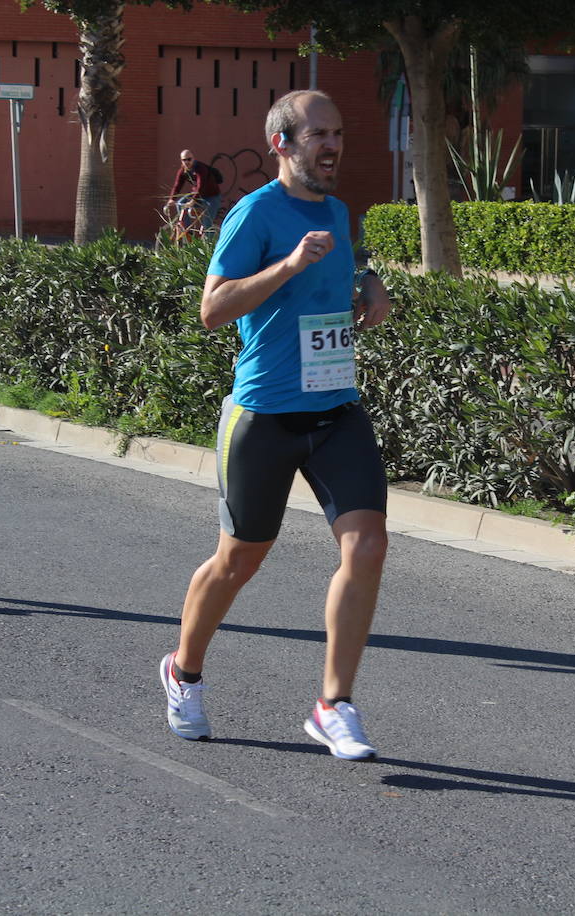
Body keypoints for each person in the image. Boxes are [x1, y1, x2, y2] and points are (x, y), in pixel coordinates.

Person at [159, 90, 393, 760]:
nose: (333, 145)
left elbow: (350, 268)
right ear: (281, 144)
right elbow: (213, 309)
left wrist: (369, 286)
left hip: (335, 408)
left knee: (367, 546)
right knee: (238, 560)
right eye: (318, 133)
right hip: (263, 413)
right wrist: (288, 265)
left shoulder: (340, 212)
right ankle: (184, 671)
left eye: (339, 132)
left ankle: (333, 704)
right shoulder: (253, 214)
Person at [165, 149, 222, 232]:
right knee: (180, 204)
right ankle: (188, 231)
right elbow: (177, 186)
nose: (187, 162)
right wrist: (171, 199)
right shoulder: (182, 171)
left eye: (189, 159)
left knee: (207, 225)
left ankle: (209, 242)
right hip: (198, 195)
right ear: (181, 161)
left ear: (193, 159)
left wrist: (193, 200)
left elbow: (201, 186)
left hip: (212, 197)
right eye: (184, 160)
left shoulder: (200, 169)